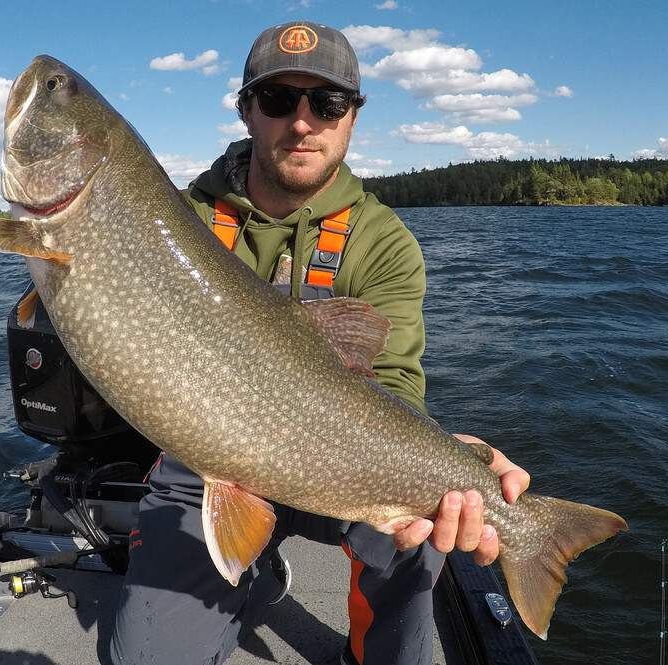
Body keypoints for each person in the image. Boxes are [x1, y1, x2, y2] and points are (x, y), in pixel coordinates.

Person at [107, 21, 529, 665]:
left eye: (326, 103)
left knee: (420, 539)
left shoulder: (383, 241)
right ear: (247, 110)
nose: (301, 122)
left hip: (341, 463)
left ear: (352, 116)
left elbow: (390, 389)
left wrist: (450, 458)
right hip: (208, 462)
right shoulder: (177, 222)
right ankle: (254, 569)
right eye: (278, 100)